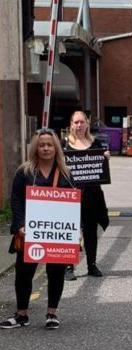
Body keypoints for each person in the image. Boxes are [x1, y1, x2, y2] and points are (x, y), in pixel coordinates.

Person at [0, 129, 74, 330]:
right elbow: (16, 200)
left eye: (50, 144)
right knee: (24, 273)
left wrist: (76, 231)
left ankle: (52, 313)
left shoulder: (65, 174)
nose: (46, 148)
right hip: (29, 233)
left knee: (56, 272)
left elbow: (73, 205)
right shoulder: (24, 172)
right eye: (42, 145)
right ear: (36, 147)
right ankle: (22, 315)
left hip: (56, 235)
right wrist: (19, 225)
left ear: (56, 147)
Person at [63, 111, 110, 279]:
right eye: (76, 122)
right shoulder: (64, 144)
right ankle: (69, 267)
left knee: (91, 231)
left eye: (82, 122)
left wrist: (105, 158)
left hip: (92, 195)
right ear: (71, 124)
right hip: (71, 196)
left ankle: (91, 265)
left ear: (87, 124)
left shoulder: (95, 143)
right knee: (71, 231)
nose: (79, 125)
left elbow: (101, 169)